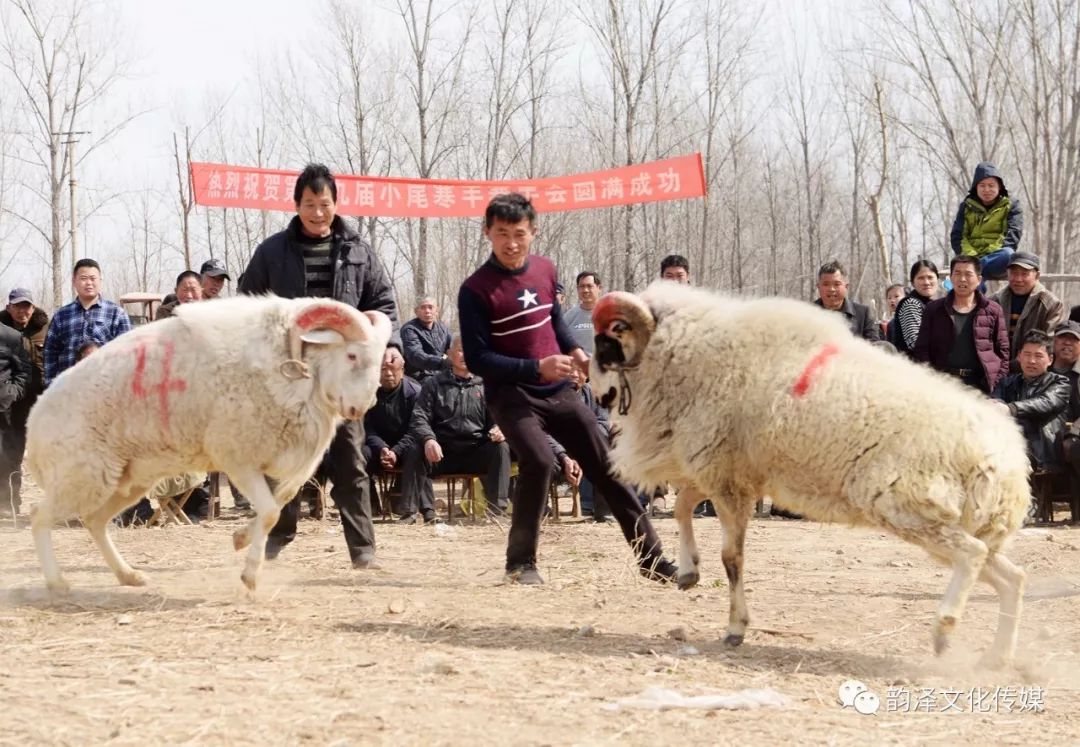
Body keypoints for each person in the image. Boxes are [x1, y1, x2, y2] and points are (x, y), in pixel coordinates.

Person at [458, 192, 677, 585]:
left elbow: (554, 321)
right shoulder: (475, 290)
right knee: (540, 461)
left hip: (558, 391)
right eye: (502, 233)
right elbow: (477, 359)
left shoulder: (544, 270)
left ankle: (652, 558)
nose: (511, 243)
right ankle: (521, 563)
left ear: (533, 232)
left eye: (519, 234)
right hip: (511, 395)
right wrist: (534, 366)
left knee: (606, 463)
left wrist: (575, 351)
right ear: (486, 232)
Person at [239, 162, 399, 569]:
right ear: (296, 205)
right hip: (290, 371)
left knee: (350, 458)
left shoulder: (359, 251)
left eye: (324, 204)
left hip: (342, 373)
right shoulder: (272, 252)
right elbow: (246, 302)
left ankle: (363, 551)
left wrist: (390, 344)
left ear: (335, 204)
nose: (316, 212)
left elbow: (383, 305)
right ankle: (278, 535)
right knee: (283, 456)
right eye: (308, 204)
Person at [401, 336, 511, 523]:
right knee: (415, 448)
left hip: (475, 451)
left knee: (501, 448)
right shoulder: (433, 384)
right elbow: (419, 417)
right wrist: (429, 439)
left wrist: (500, 428)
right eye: (460, 350)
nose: (465, 355)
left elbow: (499, 418)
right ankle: (409, 513)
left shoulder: (486, 385)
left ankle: (496, 512)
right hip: (442, 453)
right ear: (450, 354)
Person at [913, 255, 1009, 393]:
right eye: (957, 273)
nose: (962, 279)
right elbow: (922, 350)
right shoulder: (934, 309)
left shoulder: (992, 310)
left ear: (979, 280)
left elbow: (1003, 351)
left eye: (968, 274)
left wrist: (997, 382)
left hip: (981, 385)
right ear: (951, 278)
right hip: (944, 384)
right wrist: (930, 379)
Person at [43, 259, 132, 385]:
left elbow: (126, 353)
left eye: (93, 278)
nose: (89, 283)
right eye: (84, 278)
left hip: (104, 388)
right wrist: (50, 385)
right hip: (68, 388)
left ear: (100, 280)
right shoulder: (61, 315)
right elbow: (50, 352)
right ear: (74, 281)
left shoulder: (116, 313)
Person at [992, 330, 1070, 471]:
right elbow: (996, 404)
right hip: (1008, 448)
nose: (1031, 361)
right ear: (1019, 356)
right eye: (1027, 354)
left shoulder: (1060, 383)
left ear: (1050, 359)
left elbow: (1046, 402)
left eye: (1038, 356)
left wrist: (1011, 409)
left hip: (1041, 455)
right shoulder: (1007, 383)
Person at [0, 289, 48, 516]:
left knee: (48, 453)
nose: (23, 311)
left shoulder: (44, 328)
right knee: (11, 452)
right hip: (12, 404)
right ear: (9, 307)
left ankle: (56, 502)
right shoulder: (3, 332)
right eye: (18, 306)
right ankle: (9, 501)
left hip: (41, 401)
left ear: (33, 307)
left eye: (27, 306)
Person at [363, 347, 426, 517]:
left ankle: (408, 510)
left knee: (417, 450)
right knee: (360, 453)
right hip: (377, 448)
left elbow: (417, 428)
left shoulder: (415, 392)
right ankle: (369, 505)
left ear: (402, 369)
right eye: (383, 369)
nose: (388, 374)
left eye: (393, 368)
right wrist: (382, 447)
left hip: (405, 447)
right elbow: (366, 427)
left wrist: (396, 451)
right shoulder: (368, 393)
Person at [950, 161, 1023, 280]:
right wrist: (971, 256)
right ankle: (975, 278)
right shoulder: (966, 206)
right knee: (972, 271)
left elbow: (1014, 233)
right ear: (976, 187)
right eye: (982, 185)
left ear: (999, 186)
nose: (987, 189)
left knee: (1008, 255)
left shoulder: (1011, 205)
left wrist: (981, 260)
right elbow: (957, 236)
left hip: (997, 257)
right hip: (970, 256)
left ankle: (973, 272)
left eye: (991, 185)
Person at [992, 252, 1064, 366]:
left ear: (1037, 275)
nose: (1018, 279)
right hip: (996, 367)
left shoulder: (1051, 304)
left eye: (1024, 274)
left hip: (1032, 368)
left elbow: (1048, 344)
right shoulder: (994, 301)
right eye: (1014, 273)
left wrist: (1016, 364)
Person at [0, 321, 30, 517]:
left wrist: (10, 393)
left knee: (5, 456)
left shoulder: (9, 336)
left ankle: (6, 503)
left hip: (3, 407)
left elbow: (23, 370)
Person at [813, 260, 881, 341]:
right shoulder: (807, 312)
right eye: (826, 284)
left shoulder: (864, 314)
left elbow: (875, 346)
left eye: (837, 284)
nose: (831, 289)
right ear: (818, 287)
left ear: (846, 286)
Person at [890, 259, 939, 357]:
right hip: (914, 367)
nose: (926, 282)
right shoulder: (910, 303)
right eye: (921, 278)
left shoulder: (931, 304)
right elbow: (915, 342)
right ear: (913, 283)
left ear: (937, 279)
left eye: (930, 277)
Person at [400, 296, 451, 382]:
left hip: (439, 373)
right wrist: (442, 362)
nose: (427, 311)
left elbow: (452, 349)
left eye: (430, 307)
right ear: (416, 311)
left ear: (436, 311)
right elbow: (415, 355)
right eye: (423, 307)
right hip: (417, 376)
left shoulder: (443, 328)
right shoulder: (409, 329)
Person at [563, 271, 602, 355]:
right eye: (582, 286)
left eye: (589, 286)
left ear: (599, 288)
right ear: (577, 289)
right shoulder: (568, 316)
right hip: (577, 366)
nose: (585, 290)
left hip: (603, 366)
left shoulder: (610, 314)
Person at [1050, 321, 1080, 422]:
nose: (1067, 342)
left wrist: (1073, 436)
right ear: (1054, 341)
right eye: (1062, 337)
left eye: (1073, 339)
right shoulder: (1041, 366)